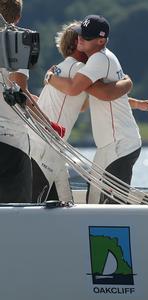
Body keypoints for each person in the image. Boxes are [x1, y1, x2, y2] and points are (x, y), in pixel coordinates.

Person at [45, 15, 148, 204]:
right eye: (80, 34)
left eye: (86, 37)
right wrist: (134, 98)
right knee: (94, 202)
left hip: (118, 144)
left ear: (101, 41)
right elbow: (105, 95)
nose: (80, 39)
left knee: (103, 206)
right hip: (113, 144)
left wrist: (49, 76)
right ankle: (140, 203)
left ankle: (143, 206)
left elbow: (78, 89)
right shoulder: (100, 59)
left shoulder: (98, 58)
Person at [30, 21, 134, 203]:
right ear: (77, 46)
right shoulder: (77, 70)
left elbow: (88, 102)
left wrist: (138, 104)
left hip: (47, 146)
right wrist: (128, 83)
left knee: (64, 206)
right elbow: (102, 92)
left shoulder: (63, 68)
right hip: (47, 147)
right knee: (39, 206)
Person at [0, 0, 64, 203]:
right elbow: (19, 91)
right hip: (11, 142)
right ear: (18, 17)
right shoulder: (16, 43)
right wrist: (50, 127)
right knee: (18, 212)